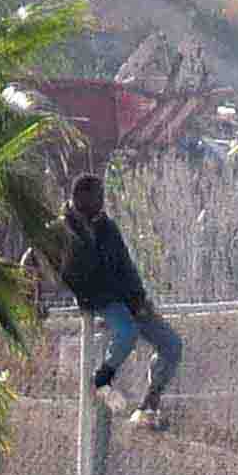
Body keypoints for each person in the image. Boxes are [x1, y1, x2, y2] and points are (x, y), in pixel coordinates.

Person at [58, 173, 183, 431]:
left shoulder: (106, 227)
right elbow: (45, 262)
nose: (102, 201)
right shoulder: (64, 229)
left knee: (171, 344)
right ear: (80, 197)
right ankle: (101, 380)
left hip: (126, 297)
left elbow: (124, 266)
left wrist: (139, 299)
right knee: (127, 331)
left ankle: (148, 406)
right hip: (99, 299)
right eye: (97, 196)